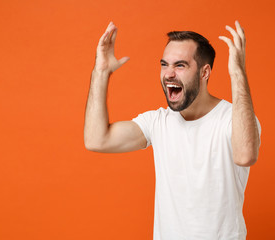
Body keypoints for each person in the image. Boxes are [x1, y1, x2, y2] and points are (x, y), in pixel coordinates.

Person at [84, 21, 262, 240]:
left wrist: (237, 75)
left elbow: (245, 155)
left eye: (180, 65)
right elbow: (96, 140)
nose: (168, 74)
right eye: (164, 64)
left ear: (205, 72)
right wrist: (100, 72)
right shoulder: (158, 122)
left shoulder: (232, 119)